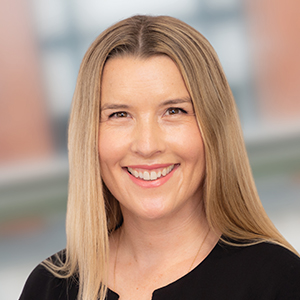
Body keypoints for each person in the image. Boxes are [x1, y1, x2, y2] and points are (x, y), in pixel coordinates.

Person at [19, 15, 300, 300]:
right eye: (119, 114)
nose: (147, 144)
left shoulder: (280, 282)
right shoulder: (49, 287)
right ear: (89, 136)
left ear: (214, 128)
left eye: (174, 111)